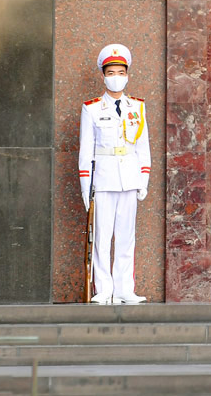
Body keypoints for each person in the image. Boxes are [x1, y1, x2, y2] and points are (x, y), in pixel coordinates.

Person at [79, 44, 150, 304]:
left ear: (128, 74)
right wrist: (86, 188)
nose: (116, 76)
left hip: (129, 179)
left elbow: (143, 148)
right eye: (111, 72)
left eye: (121, 71)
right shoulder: (92, 108)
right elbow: (86, 152)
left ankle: (124, 289)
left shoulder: (138, 107)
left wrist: (143, 180)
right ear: (103, 75)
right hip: (104, 180)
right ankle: (104, 290)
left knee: (126, 237)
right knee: (101, 236)